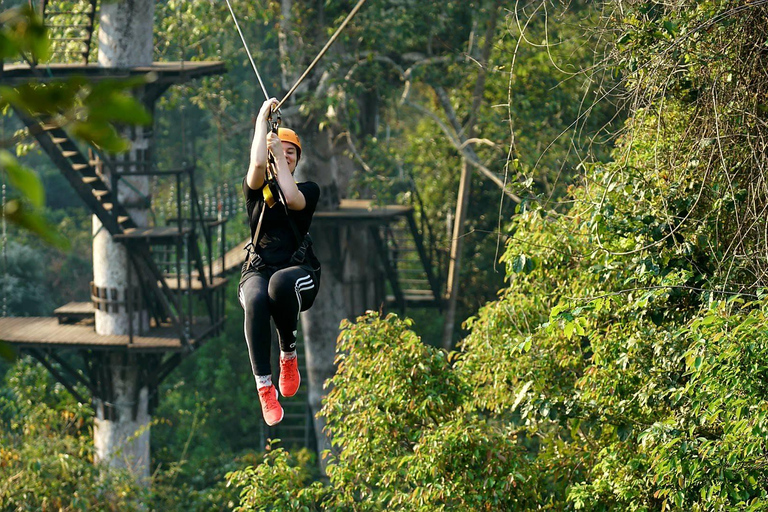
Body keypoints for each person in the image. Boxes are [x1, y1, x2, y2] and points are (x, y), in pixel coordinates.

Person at [239, 97, 321, 426]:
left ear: (297, 160)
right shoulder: (256, 189)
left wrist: (279, 157)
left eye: (291, 152)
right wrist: (261, 120)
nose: (284, 155)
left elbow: (291, 198)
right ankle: (264, 387)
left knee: (279, 284)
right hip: (257, 268)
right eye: (280, 149)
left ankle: (288, 351)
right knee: (258, 297)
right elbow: (258, 167)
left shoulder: (308, 189)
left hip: (299, 273)